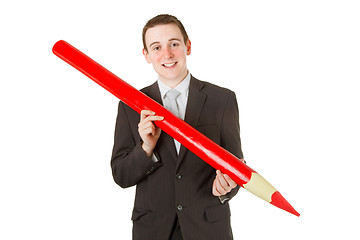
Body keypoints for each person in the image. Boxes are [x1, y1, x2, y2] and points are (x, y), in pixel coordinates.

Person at [111, 14, 245, 240]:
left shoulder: (222, 100)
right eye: (156, 47)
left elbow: (235, 165)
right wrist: (145, 149)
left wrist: (227, 187)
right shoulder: (130, 105)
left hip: (208, 229)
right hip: (153, 230)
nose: (167, 54)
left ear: (188, 46)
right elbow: (121, 175)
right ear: (146, 55)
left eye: (174, 44)